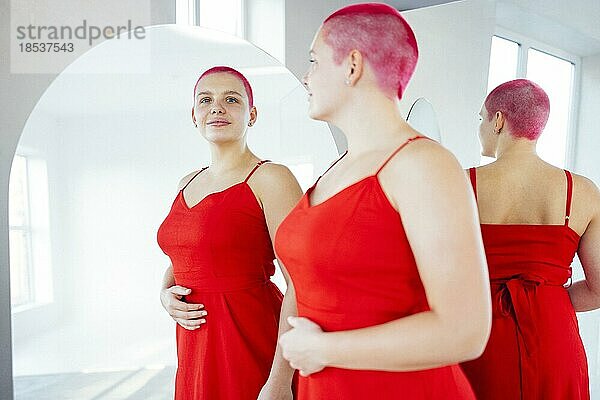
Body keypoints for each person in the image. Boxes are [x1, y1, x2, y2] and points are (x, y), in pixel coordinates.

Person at [268, 4, 492, 399]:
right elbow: (303, 285)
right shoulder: (338, 170)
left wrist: (324, 349)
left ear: (352, 65)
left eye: (313, 61)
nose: (305, 77)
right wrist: (277, 384)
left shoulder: (423, 164)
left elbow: (465, 331)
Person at [156, 66, 302, 400]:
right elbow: (186, 257)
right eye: (205, 99)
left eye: (231, 99)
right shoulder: (187, 182)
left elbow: (300, 282)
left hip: (248, 339)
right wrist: (165, 295)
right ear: (194, 115)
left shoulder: (270, 178)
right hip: (195, 347)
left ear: (252, 114)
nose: (217, 107)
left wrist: (279, 381)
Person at [460, 78, 600, 399]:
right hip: (554, 337)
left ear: (498, 121)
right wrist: (547, 300)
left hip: (481, 330)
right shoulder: (584, 192)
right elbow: (599, 288)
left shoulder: (460, 183)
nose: (481, 126)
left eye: (482, 118)